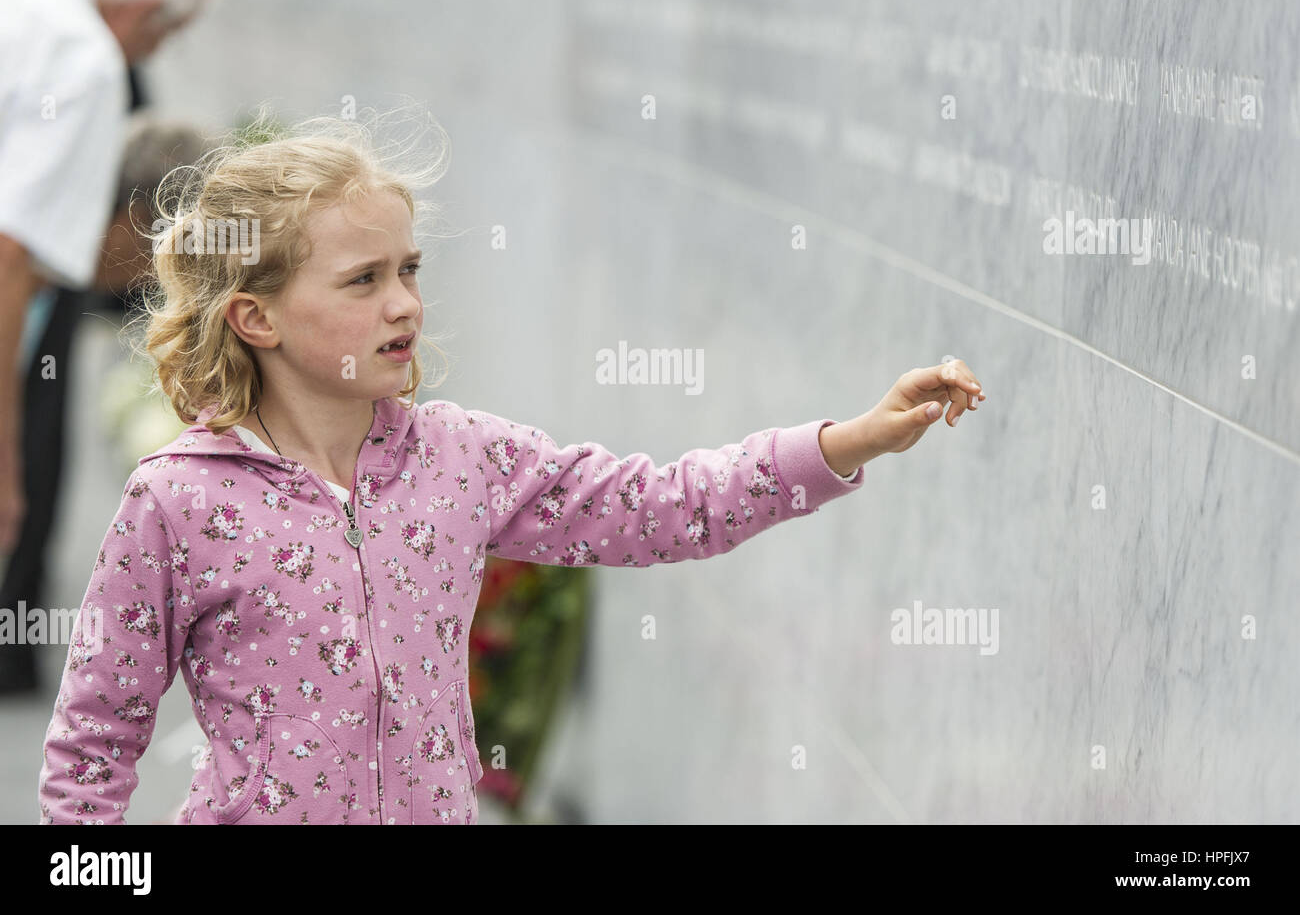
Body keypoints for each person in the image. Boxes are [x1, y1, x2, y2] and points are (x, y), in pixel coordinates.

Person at [36, 113, 986, 824]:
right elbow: (91, 745)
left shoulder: (460, 459)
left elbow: (659, 507)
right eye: (363, 280)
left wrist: (849, 441)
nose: (403, 303)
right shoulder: (178, 499)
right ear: (257, 317)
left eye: (409, 270)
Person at [0, 0, 221, 692]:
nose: (149, 57)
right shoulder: (82, 55)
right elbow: (9, 257)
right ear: (142, 10)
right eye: (164, 38)